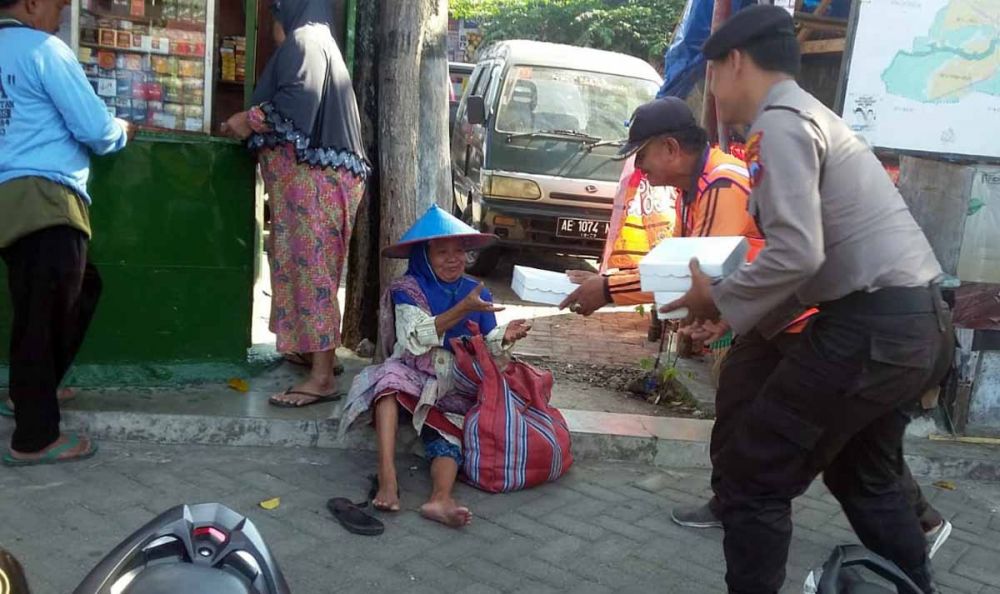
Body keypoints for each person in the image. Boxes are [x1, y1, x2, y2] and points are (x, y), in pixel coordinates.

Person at [661, 6, 954, 593]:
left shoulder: (780, 124)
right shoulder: (814, 117)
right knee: (861, 475)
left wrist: (712, 293)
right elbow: (808, 266)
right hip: (917, 324)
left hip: (871, 329)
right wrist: (724, 314)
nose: (712, 91)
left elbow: (795, 253)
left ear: (734, 63)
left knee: (752, 475)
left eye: (711, 73)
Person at [339, 205, 532, 528]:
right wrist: (462, 309)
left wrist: (505, 337)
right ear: (424, 256)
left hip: (454, 380)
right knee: (388, 382)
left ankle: (440, 498)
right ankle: (388, 477)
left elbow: (484, 346)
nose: (453, 259)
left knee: (451, 435)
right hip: (413, 372)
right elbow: (414, 338)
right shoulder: (407, 289)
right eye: (442, 252)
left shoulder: (476, 290)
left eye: (459, 252)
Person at [0, 0, 132, 466]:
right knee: (44, 313)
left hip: (9, 201)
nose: (60, 15)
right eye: (57, 4)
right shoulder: (44, 51)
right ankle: (34, 437)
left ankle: (28, 391)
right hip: (45, 200)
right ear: (33, 4)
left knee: (66, 294)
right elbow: (95, 128)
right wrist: (121, 129)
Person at [222, 0, 368, 407]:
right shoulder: (320, 41)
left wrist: (245, 120)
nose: (272, 23)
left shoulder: (305, 41)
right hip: (320, 178)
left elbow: (294, 104)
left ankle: (322, 377)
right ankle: (311, 352)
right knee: (303, 266)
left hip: (315, 180)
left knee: (313, 270)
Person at [560, 97, 761, 315]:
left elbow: (690, 276)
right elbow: (669, 267)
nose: (638, 166)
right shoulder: (690, 189)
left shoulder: (721, 184)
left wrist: (607, 289)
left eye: (641, 155)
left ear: (670, 148)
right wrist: (608, 281)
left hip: (784, 314)